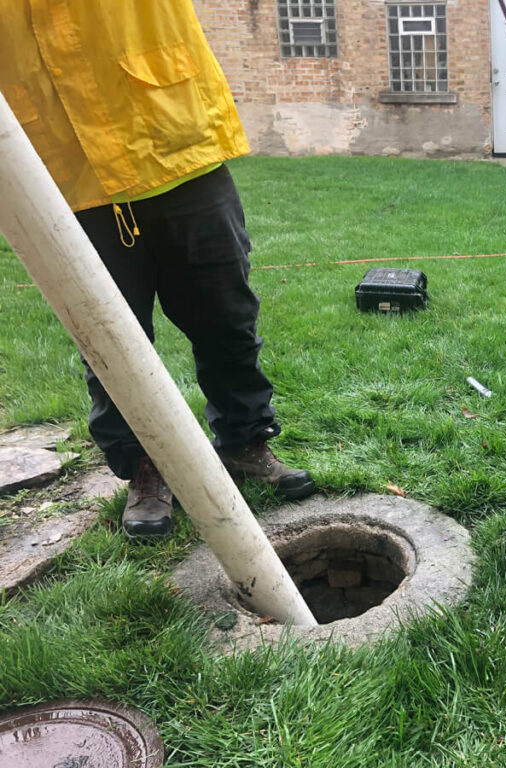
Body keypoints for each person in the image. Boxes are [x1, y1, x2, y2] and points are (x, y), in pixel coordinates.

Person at [1, 0, 315, 540]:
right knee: (108, 340)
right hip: (63, 171)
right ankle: (147, 469)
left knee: (226, 317)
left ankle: (245, 442)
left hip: (173, 144)